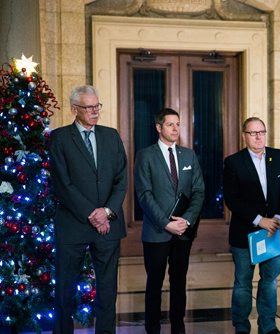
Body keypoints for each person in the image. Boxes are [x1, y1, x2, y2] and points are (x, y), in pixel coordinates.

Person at [50, 85, 128, 333]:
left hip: (108, 224)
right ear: (75, 109)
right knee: (65, 290)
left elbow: (121, 179)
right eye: (89, 107)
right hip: (73, 224)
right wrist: (91, 213)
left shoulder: (111, 135)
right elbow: (63, 183)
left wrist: (106, 212)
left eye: (97, 106)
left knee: (107, 291)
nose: (95, 111)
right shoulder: (60, 138)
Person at [134, 108, 205, 334]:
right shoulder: (145, 155)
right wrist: (166, 223)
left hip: (183, 231)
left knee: (179, 281)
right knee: (154, 283)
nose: (175, 129)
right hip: (157, 232)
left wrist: (187, 220)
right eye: (170, 124)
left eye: (178, 124)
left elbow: (199, 191)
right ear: (158, 127)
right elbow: (144, 194)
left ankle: (178, 325)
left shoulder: (188, 155)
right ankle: (152, 328)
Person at [223, 117, 280, 334]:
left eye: (262, 131)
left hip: (274, 232)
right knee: (243, 283)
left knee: (269, 281)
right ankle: (241, 327)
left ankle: (268, 326)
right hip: (246, 234)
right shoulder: (233, 162)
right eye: (253, 133)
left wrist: (277, 219)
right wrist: (259, 220)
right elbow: (232, 198)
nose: (259, 136)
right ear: (244, 135)